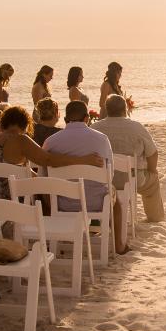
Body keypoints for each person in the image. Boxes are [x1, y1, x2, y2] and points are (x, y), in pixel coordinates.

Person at [43, 101, 128, 254]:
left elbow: (44, 176)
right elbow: (110, 174)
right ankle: (119, 246)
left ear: (65, 119)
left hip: (61, 203)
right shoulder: (101, 139)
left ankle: (56, 238)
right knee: (115, 200)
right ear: (87, 118)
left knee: (47, 191)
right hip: (96, 202)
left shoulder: (51, 141)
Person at [0, 105, 102, 198]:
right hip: (14, 202)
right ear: (25, 124)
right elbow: (47, 159)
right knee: (51, 193)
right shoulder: (20, 139)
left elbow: (16, 169)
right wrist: (84, 160)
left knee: (45, 186)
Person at [93, 95, 165, 223]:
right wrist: (152, 170)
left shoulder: (95, 128)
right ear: (125, 109)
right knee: (152, 183)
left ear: (107, 109)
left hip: (103, 181)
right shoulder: (137, 127)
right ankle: (155, 218)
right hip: (133, 179)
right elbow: (153, 153)